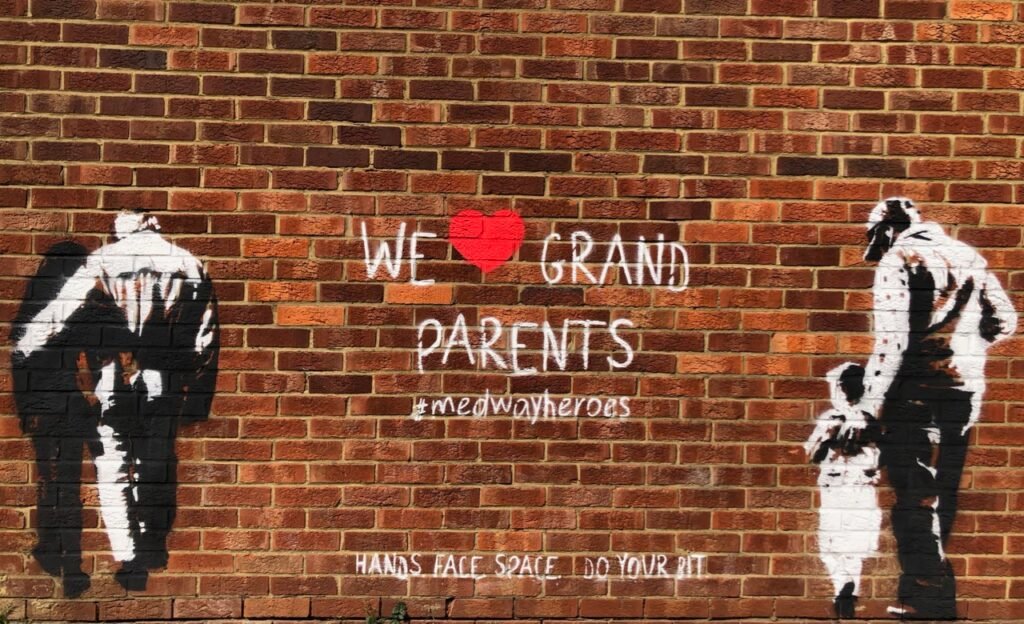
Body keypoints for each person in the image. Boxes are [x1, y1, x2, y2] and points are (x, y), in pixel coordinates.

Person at [12, 211, 219, 593]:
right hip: (164, 376)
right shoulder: (189, 264)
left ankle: (127, 555)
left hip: (114, 376)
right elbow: (205, 335)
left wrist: (28, 344)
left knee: (113, 466)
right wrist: (197, 386)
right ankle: (150, 541)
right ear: (152, 223)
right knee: (156, 460)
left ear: (122, 229)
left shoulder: (104, 261)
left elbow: (62, 311)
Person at [858, 197, 1017, 619]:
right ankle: (919, 593)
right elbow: (1005, 319)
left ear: (887, 231)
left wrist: (870, 407)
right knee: (941, 493)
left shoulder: (900, 258)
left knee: (915, 495)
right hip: (965, 391)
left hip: (917, 390)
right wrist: (966, 348)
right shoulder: (967, 254)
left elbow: (891, 343)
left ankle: (929, 596)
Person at [806, 362, 882, 620]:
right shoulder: (871, 421)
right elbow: (881, 454)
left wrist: (827, 437)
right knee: (855, 547)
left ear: (840, 387)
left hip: (837, 488)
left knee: (830, 545)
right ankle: (850, 588)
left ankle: (842, 586)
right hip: (862, 490)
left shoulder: (832, 419)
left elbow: (813, 455)